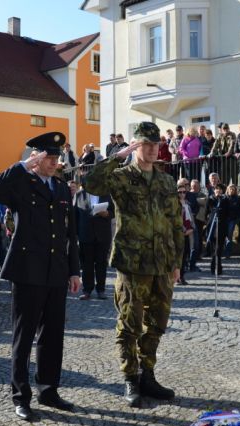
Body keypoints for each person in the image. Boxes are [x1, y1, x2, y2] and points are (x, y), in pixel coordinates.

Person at [85, 122, 184, 408]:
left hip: (162, 264)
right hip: (132, 263)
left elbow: (175, 224)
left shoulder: (166, 181)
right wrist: (118, 156)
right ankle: (130, 378)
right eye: (146, 145)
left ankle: (147, 375)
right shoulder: (121, 177)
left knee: (157, 324)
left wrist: (176, 262)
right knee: (130, 325)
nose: (153, 150)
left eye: (156, 145)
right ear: (136, 146)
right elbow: (92, 183)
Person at [0, 131, 81, 422]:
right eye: (48, 158)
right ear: (36, 158)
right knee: (24, 335)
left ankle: (48, 388)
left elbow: (70, 233)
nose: (53, 163)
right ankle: (21, 395)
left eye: (56, 158)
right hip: (27, 270)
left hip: (55, 270)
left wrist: (74, 269)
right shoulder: (21, 183)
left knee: (53, 334)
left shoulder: (62, 188)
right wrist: (20, 166)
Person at [74, 180, 113, 300]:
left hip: (103, 235)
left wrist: (106, 213)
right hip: (85, 235)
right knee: (86, 265)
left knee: (101, 264)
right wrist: (75, 234)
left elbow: (115, 212)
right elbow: (75, 215)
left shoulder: (107, 194)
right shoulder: (79, 195)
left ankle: (101, 290)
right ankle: (87, 290)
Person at [206, 183, 228, 275]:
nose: (218, 190)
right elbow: (207, 211)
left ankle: (217, 267)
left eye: (220, 189)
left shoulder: (225, 200)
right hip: (212, 226)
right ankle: (214, 267)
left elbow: (228, 212)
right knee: (213, 249)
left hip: (221, 226)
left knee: (218, 249)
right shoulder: (211, 199)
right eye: (216, 189)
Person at [177, 182, 194, 285]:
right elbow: (176, 219)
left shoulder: (187, 203)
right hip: (179, 232)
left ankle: (182, 276)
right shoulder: (175, 204)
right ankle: (178, 277)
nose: (182, 194)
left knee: (185, 255)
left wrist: (191, 229)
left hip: (188, 232)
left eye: (184, 192)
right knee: (179, 256)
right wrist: (183, 230)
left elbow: (190, 218)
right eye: (180, 192)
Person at [223, 184, 240, 258]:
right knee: (223, 235)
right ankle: (223, 251)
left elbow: (238, 210)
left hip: (232, 219)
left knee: (229, 236)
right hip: (224, 219)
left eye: (233, 189)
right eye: (230, 189)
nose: (231, 190)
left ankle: (227, 253)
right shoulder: (224, 198)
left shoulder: (237, 199)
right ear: (227, 190)